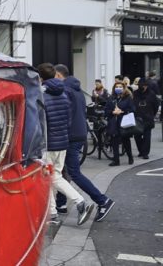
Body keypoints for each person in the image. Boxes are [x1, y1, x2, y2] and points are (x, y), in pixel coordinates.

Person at [55, 65, 116, 222]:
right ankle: (60, 203)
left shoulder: (65, 90)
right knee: (63, 170)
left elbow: (64, 115)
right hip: (79, 132)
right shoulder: (77, 89)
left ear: (58, 75)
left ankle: (102, 200)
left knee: (73, 172)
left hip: (71, 136)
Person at [38, 64, 95, 225]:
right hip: (62, 142)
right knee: (52, 176)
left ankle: (81, 202)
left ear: (41, 78)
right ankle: (53, 214)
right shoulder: (63, 94)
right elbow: (68, 120)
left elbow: (39, 123)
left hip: (48, 144)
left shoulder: (42, 96)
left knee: (51, 177)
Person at [105, 82, 136, 166]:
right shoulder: (111, 98)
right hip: (113, 122)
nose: (118, 88)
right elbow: (106, 109)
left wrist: (122, 111)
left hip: (123, 122)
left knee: (125, 140)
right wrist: (113, 112)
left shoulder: (128, 98)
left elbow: (132, 109)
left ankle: (130, 156)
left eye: (120, 87)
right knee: (114, 140)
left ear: (124, 88)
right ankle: (116, 160)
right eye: (117, 87)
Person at [133, 79, 160, 160]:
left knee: (147, 137)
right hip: (137, 118)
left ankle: (145, 153)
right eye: (140, 85)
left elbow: (156, 105)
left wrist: (151, 114)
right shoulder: (134, 94)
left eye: (143, 85)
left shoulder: (151, 94)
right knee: (137, 136)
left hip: (147, 118)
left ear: (146, 86)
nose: (142, 87)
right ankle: (141, 151)